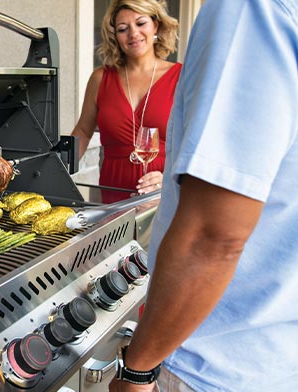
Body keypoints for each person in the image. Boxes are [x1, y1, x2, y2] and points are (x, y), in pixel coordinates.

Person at [110, 0, 298, 391]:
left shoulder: (252, 9)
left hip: (212, 359)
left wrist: (138, 368)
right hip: (273, 352)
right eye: (122, 26)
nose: (132, 33)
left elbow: (212, 237)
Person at [71, 0, 181, 203]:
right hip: (113, 188)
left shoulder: (181, 77)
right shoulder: (100, 78)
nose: (133, 34)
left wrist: (171, 179)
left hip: (164, 190)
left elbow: (196, 141)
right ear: (115, 35)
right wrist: (53, 171)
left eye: (141, 23)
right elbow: (83, 132)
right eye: (123, 28)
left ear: (155, 25)